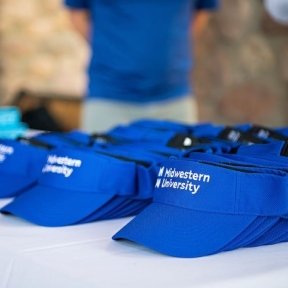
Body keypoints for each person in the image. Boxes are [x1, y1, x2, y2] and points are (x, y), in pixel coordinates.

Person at [64, 0, 219, 132]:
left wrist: (172, 49)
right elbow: (76, 13)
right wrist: (110, 49)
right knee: (100, 165)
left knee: (182, 165)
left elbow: (202, 12)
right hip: (108, 97)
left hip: (174, 97)